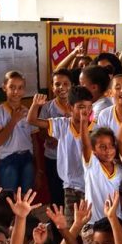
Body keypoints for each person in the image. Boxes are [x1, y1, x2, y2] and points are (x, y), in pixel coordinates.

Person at [28, 86, 94, 225]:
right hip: (69, 185)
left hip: (89, 185)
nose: (86, 112)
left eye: (89, 107)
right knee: (71, 224)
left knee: (88, 226)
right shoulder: (62, 124)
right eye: (81, 107)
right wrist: (35, 105)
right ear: (70, 108)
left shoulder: (95, 127)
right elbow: (32, 120)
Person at [0, 70, 38, 192]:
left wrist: (39, 168)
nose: (16, 92)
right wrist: (13, 120)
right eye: (12, 87)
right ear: (4, 88)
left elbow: (34, 140)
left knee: (27, 197)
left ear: (24, 90)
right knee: (9, 197)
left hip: (27, 159)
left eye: (20, 88)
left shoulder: (28, 112)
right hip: (8, 160)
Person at [36, 68, 72, 206]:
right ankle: (57, 219)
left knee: (74, 193)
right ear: (52, 87)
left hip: (73, 158)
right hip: (53, 157)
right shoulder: (47, 107)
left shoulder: (77, 106)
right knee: (56, 193)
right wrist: (51, 138)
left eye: (65, 84)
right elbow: (41, 134)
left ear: (72, 85)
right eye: (57, 84)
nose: (61, 87)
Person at [81, 126, 122, 224]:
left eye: (111, 145)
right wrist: (83, 121)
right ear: (93, 150)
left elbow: (121, 192)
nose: (108, 150)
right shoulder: (92, 165)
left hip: (116, 221)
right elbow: (85, 145)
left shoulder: (120, 169)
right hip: (93, 222)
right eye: (102, 147)